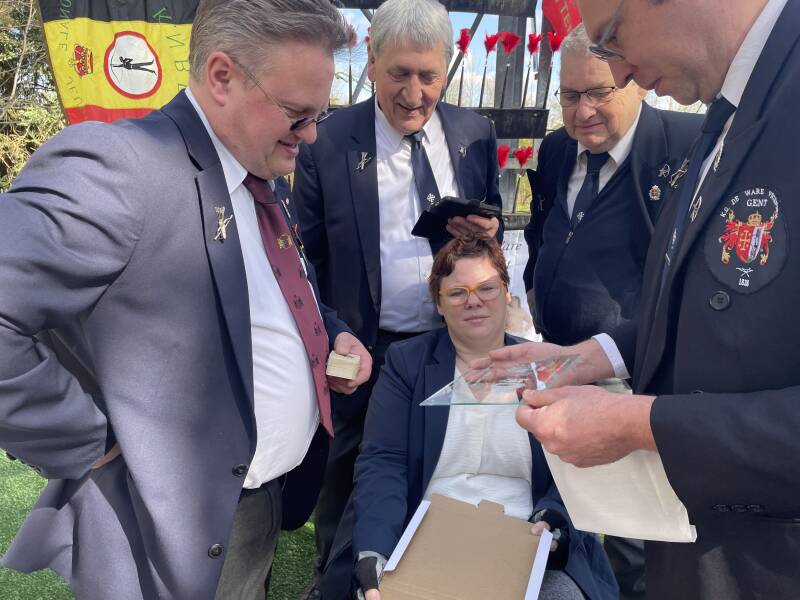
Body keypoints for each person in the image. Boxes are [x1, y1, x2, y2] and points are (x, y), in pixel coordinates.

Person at [0, 1, 372, 599]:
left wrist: (329, 333)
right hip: (166, 533)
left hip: (257, 504)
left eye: (319, 114)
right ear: (222, 76)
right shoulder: (121, 167)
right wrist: (86, 440)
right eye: (297, 114)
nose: (311, 134)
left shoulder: (258, 173)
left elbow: (275, 289)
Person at [484, 0, 800, 598]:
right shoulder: (726, 111)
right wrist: (591, 356)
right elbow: (705, 298)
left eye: (613, 34)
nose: (621, 69)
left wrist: (640, 422)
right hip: (702, 545)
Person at [292, 0, 503, 592]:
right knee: (347, 476)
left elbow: (491, 228)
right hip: (363, 346)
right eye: (399, 74)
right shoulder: (327, 141)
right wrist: (334, 336)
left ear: (447, 67)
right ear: (371, 62)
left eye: (428, 76)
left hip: (448, 342)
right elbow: (305, 259)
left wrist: (487, 232)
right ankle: (336, 578)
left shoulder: (474, 133)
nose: (414, 94)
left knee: (445, 468)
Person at [522, 24, 701, 598]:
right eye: (570, 95)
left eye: (599, 92)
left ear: (634, 81)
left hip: (633, 377)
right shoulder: (556, 149)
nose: (583, 112)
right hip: (557, 361)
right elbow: (547, 224)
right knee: (561, 498)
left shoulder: (686, 147)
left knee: (634, 529)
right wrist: (534, 284)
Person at [348, 237, 618, 600]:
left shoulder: (546, 364)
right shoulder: (406, 364)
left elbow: (574, 465)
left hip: (527, 536)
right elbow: (384, 460)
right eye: (457, 292)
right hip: (427, 536)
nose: (473, 301)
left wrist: (554, 518)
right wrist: (374, 549)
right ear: (438, 304)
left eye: (486, 288)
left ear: (507, 292)